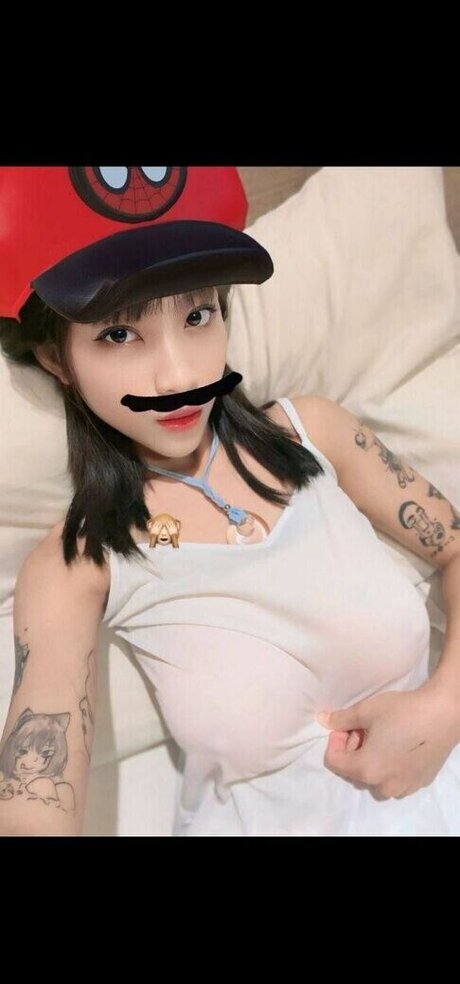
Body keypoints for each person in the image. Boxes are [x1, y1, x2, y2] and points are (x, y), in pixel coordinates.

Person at [0, 166, 460, 837]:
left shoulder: (313, 432)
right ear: (56, 359)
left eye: (197, 315)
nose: (180, 374)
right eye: (119, 334)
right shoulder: (76, 562)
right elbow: (33, 799)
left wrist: (446, 707)